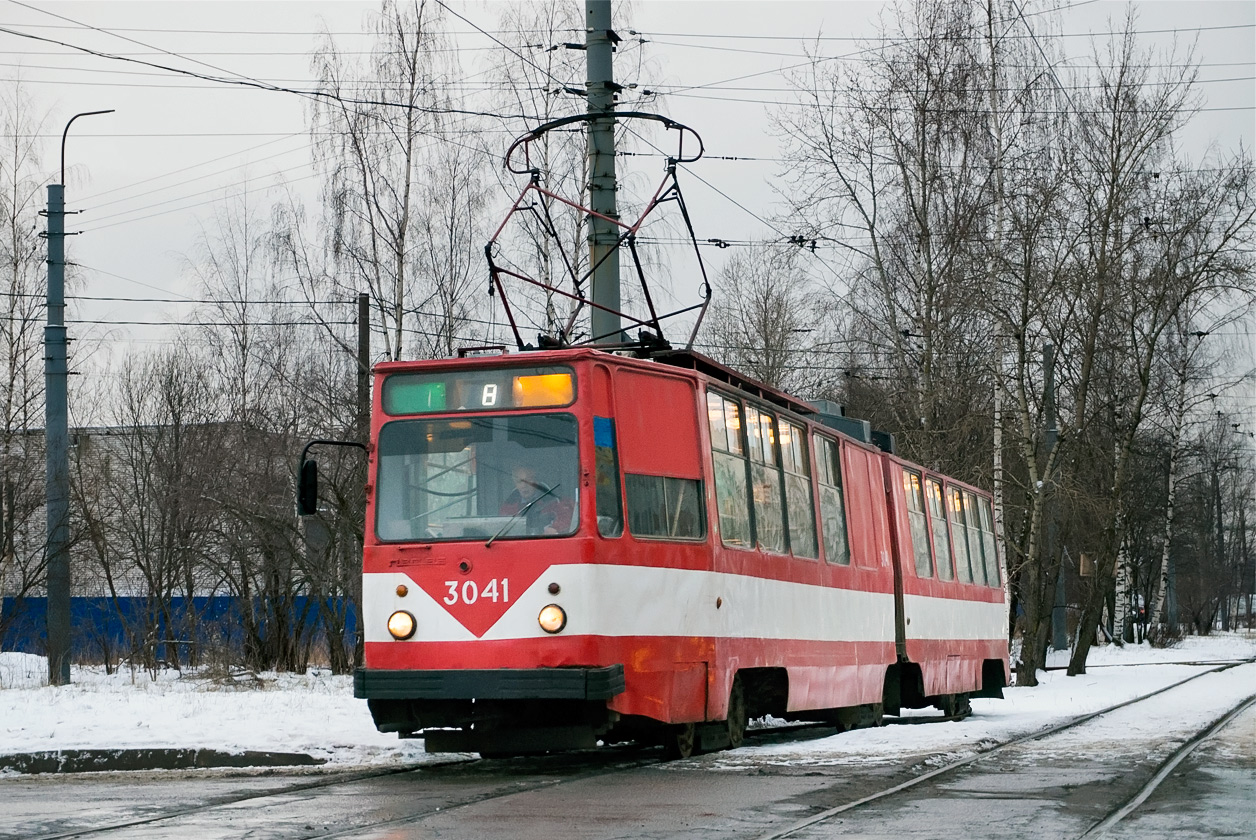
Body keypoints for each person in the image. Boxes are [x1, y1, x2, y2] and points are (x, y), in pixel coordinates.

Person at [500, 466, 573, 535]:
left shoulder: (555, 501)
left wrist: (555, 528)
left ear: (536, 481)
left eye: (528, 480)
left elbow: (566, 519)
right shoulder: (508, 506)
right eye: (519, 481)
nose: (523, 485)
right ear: (514, 484)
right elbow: (500, 527)